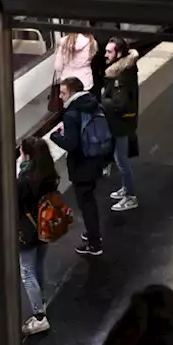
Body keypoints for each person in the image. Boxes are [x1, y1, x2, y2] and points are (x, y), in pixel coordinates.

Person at [51, 77, 108, 256]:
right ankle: (93, 234)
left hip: (81, 166)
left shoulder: (71, 114)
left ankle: (94, 243)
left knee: (86, 205)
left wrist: (55, 137)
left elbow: (71, 144)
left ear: (73, 92)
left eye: (63, 92)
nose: (60, 96)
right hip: (95, 159)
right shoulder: (92, 103)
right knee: (90, 200)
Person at [17, 137, 60, 336]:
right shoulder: (50, 173)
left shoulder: (23, 180)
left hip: (27, 231)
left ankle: (39, 316)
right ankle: (40, 301)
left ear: (26, 155)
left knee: (27, 272)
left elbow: (16, 207)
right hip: (46, 226)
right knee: (39, 264)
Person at [100, 38, 140, 212]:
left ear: (119, 54)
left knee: (122, 161)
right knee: (120, 159)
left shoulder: (121, 77)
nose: (105, 55)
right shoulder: (121, 71)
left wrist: (102, 103)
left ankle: (131, 197)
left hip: (122, 124)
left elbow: (121, 104)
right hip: (120, 123)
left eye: (109, 52)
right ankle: (126, 189)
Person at [54, 28, 97, 98]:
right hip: (85, 80)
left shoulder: (63, 43)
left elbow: (58, 66)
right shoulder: (91, 42)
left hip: (67, 80)